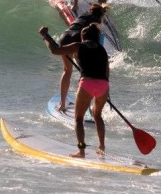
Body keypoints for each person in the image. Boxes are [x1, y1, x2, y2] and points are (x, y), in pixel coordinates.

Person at [39, 23, 110, 158]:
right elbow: (107, 72)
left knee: (78, 120)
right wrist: (107, 92)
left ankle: (82, 151)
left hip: (87, 84)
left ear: (83, 37)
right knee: (98, 116)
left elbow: (55, 50)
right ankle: (101, 147)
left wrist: (45, 36)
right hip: (103, 85)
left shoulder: (78, 46)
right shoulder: (102, 50)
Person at [56, 3, 108, 112]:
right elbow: (96, 43)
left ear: (90, 10)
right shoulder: (96, 22)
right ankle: (87, 107)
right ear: (101, 15)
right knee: (86, 73)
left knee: (67, 70)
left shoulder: (83, 15)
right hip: (77, 38)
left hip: (65, 36)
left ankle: (62, 104)